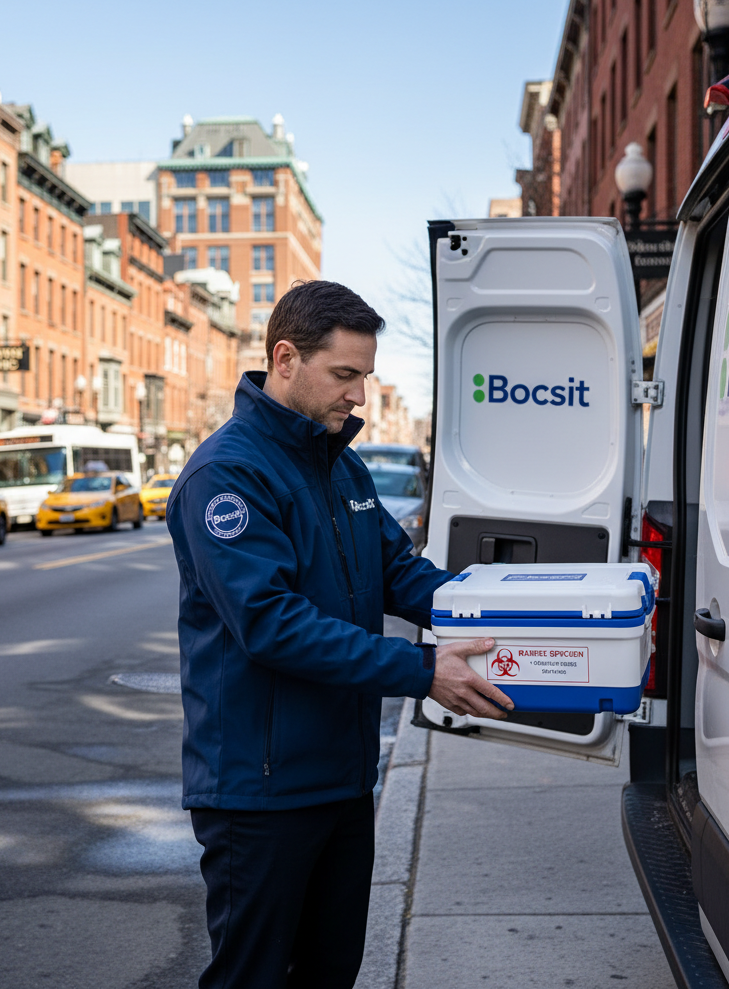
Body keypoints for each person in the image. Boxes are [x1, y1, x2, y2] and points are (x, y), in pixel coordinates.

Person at [165, 281, 513, 989]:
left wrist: (508, 611)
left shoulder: (340, 463)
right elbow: (271, 624)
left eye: (365, 377)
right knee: (253, 978)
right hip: (259, 791)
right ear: (285, 358)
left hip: (342, 777)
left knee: (330, 973)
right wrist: (423, 670)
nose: (358, 396)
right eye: (345, 375)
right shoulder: (227, 475)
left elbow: (400, 574)